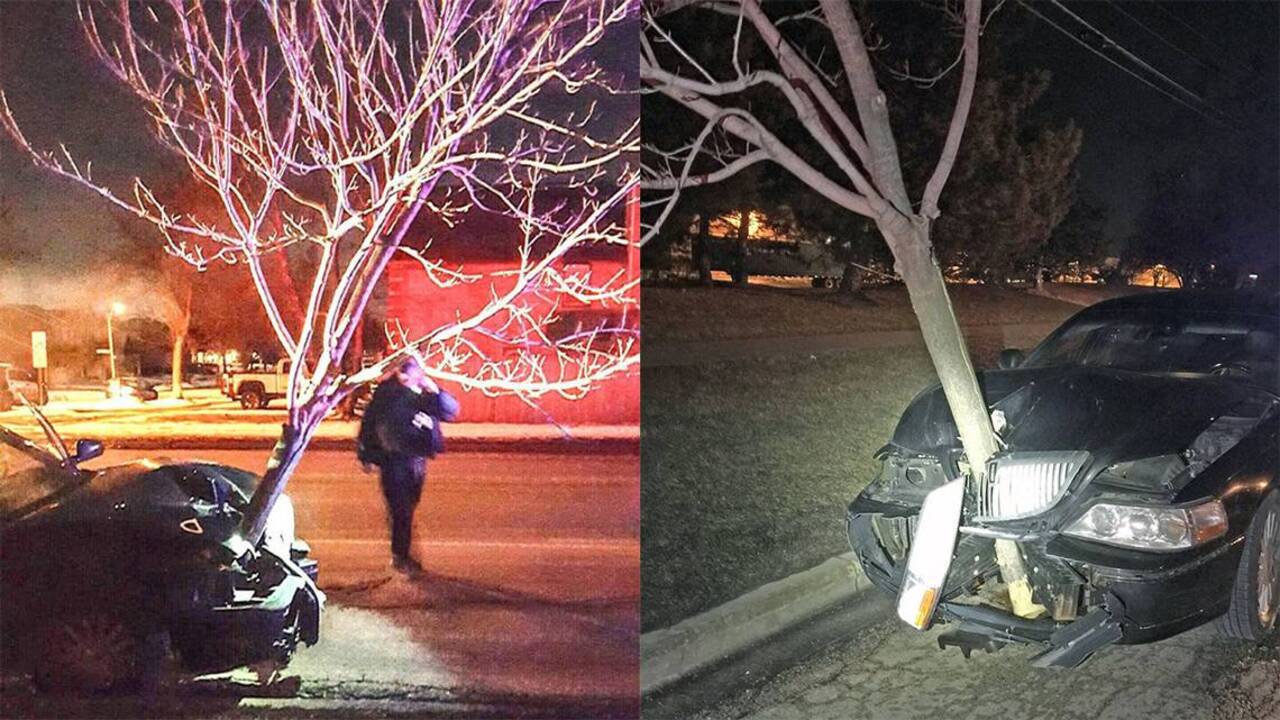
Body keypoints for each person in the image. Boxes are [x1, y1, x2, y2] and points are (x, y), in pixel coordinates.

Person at [357, 357, 460, 573]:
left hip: (417, 459)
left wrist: (435, 391)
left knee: (408, 506)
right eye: (402, 371)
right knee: (400, 509)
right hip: (393, 458)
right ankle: (400, 556)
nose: (405, 376)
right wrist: (365, 453)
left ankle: (401, 550)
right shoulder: (386, 393)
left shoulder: (424, 394)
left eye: (410, 372)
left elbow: (450, 411)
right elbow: (369, 422)